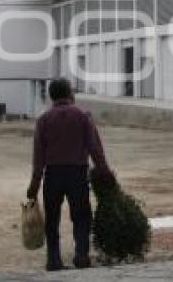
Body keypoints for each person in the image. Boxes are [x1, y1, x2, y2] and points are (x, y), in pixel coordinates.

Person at [26, 78, 112, 271]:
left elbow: (38, 156)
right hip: (77, 174)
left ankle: (53, 260)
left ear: (51, 96)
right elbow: (95, 148)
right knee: (81, 216)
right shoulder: (82, 116)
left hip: (53, 176)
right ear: (70, 94)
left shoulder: (43, 120)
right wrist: (105, 172)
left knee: (52, 219)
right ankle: (81, 256)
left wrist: (34, 184)